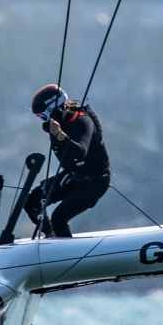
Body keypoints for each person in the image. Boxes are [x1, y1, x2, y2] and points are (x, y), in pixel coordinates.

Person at [24, 83, 110, 238]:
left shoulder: (82, 120)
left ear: (55, 109)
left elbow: (80, 152)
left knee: (59, 218)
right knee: (31, 202)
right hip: (74, 176)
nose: (42, 121)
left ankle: (65, 252)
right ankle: (51, 237)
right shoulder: (58, 123)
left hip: (95, 182)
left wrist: (60, 136)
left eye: (43, 116)